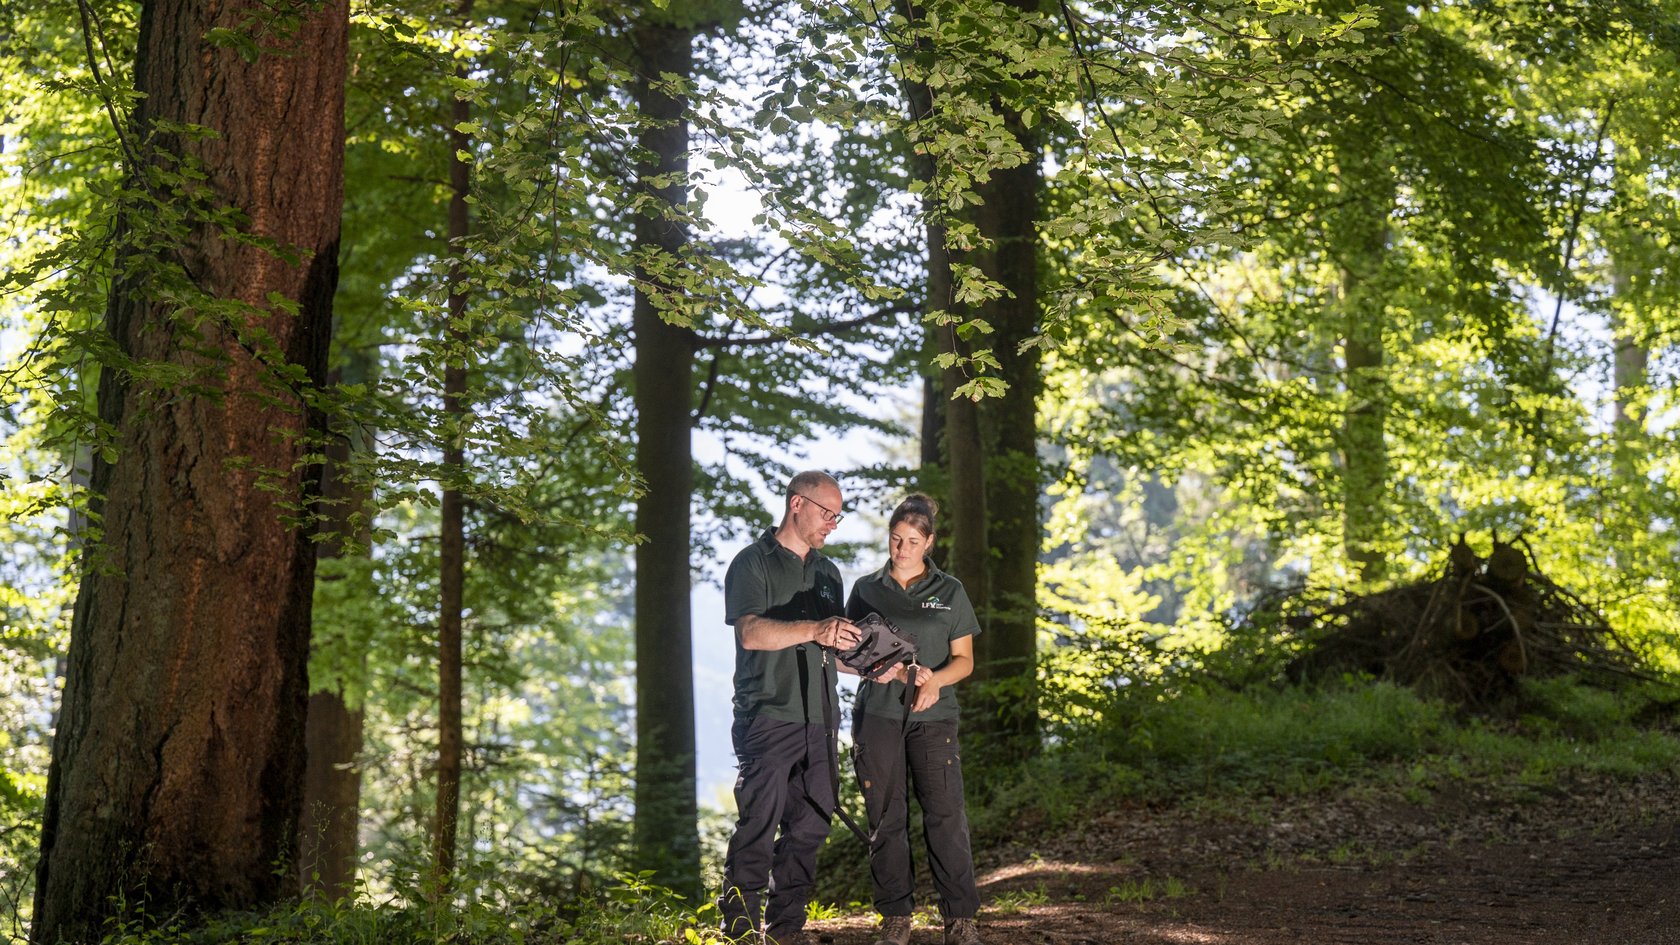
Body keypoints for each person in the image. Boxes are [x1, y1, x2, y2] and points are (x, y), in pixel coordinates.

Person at [718, 470, 862, 945]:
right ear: (797, 504)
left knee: (811, 825)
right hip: (767, 714)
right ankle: (740, 930)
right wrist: (816, 629)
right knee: (758, 823)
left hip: (820, 719)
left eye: (838, 516)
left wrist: (877, 666)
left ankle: (787, 930)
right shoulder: (752, 563)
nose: (833, 524)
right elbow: (751, 634)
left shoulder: (828, 573)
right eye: (827, 513)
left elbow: (830, 649)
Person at [848, 494, 985, 945]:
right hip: (878, 716)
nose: (901, 549)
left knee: (945, 816)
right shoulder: (866, 589)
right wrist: (877, 667)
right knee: (885, 818)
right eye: (894, 539)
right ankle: (896, 918)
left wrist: (935, 681)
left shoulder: (951, 591)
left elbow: (964, 660)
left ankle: (960, 920)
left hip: (935, 718)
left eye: (911, 541)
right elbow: (846, 655)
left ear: (929, 542)